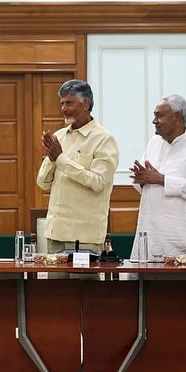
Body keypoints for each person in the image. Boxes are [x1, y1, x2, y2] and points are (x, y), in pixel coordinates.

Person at [36, 79, 119, 257]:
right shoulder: (60, 136)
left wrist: (61, 158)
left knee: (85, 286)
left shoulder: (104, 139)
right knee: (55, 286)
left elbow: (98, 182)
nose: (63, 109)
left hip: (84, 235)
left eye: (69, 103)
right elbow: (43, 183)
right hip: (55, 232)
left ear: (86, 103)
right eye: (62, 104)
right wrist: (52, 159)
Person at [129, 95, 186, 260]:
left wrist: (161, 179)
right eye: (154, 115)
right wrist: (141, 180)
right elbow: (143, 182)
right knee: (140, 284)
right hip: (151, 233)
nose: (154, 121)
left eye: (159, 116)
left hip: (183, 240)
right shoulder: (154, 143)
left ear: (178, 117)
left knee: (178, 285)